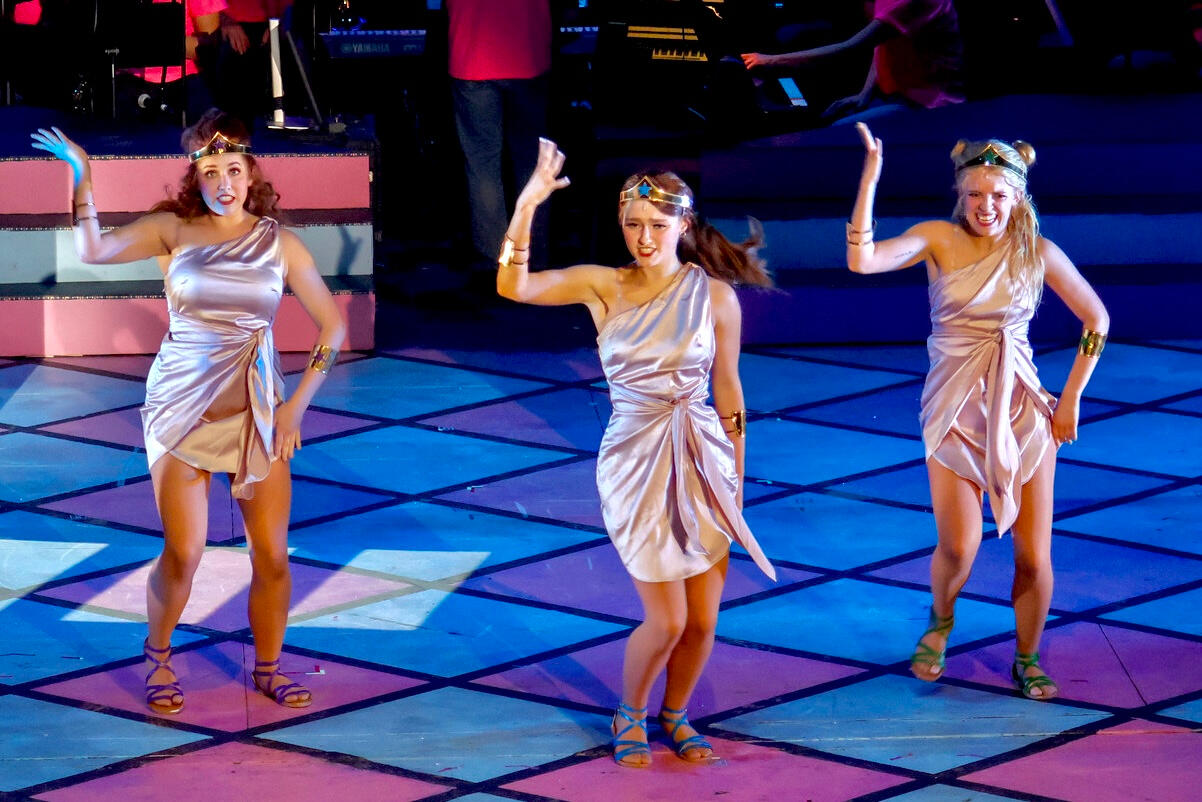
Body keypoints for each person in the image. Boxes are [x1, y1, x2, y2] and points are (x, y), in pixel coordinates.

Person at [30, 109, 346, 714]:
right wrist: (82, 171)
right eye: (210, 171)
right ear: (194, 177)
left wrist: (295, 408)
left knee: (273, 555)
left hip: (258, 412)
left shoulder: (279, 241)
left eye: (233, 169)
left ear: (251, 172)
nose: (223, 182)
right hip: (181, 410)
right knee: (186, 552)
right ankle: (158, 654)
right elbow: (92, 250)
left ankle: (270, 666)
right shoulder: (171, 230)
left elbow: (331, 325)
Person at [497, 139, 776, 766]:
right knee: (669, 619)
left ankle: (675, 716)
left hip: (703, 456)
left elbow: (729, 390)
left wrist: (736, 476)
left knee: (703, 620)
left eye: (657, 224)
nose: (644, 237)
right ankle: (631, 711)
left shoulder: (715, 296)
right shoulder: (604, 285)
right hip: (635, 459)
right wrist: (528, 204)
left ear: (684, 224)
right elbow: (512, 285)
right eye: (632, 224)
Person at [846, 122, 1109, 700]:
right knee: (960, 546)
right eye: (974, 194)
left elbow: (1097, 320)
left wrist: (1069, 401)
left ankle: (1028, 655)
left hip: (1022, 409)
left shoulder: (1037, 250)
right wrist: (871, 178)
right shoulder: (937, 237)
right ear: (959, 195)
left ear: (1017, 198)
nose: (985, 206)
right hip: (954, 407)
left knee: (1035, 559)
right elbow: (863, 261)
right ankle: (941, 620)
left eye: (998, 195)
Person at [447, 0, 551, 280]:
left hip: (472, 56)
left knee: (482, 166)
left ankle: (495, 258)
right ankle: (532, 254)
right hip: (528, 54)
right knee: (533, 164)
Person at [742, 0, 963, 122]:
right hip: (896, 97)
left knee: (835, 132)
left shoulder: (909, 2)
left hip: (932, 109)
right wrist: (864, 95)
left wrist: (770, 60)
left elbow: (852, 47)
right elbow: (883, 42)